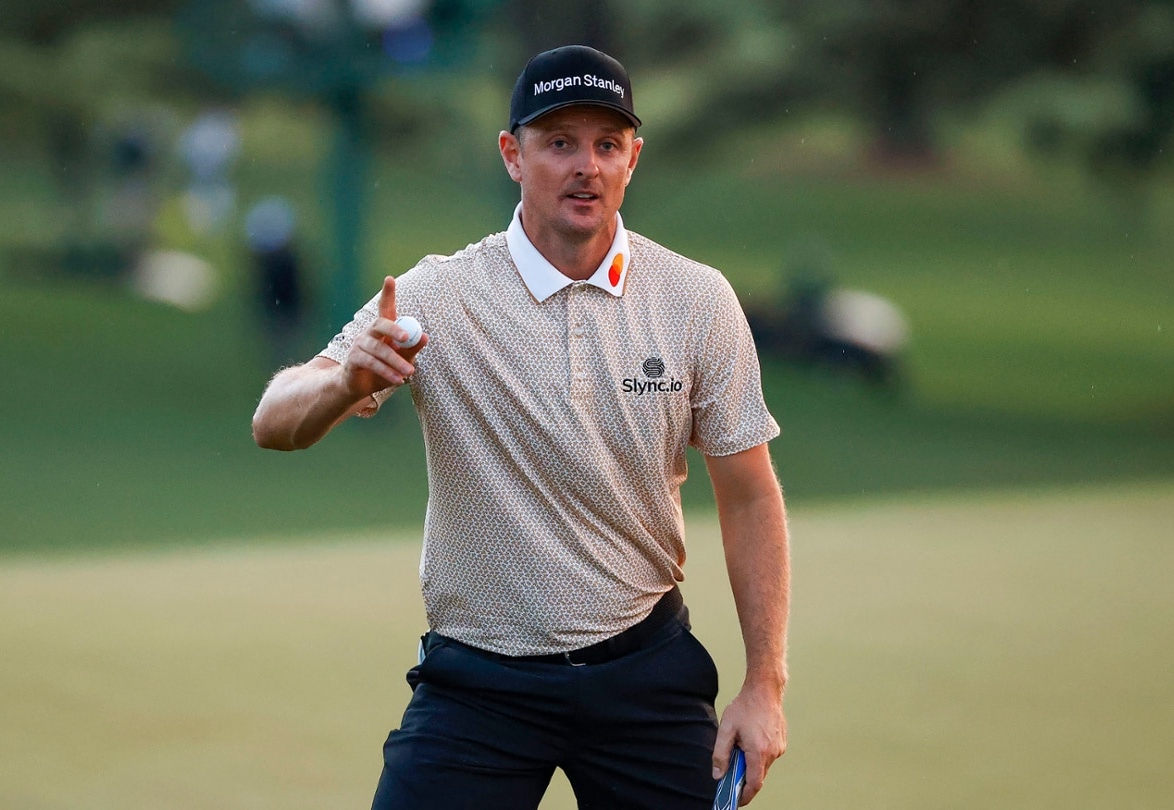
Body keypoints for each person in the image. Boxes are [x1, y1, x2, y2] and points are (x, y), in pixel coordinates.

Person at [252, 44, 789, 809]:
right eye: (559, 142)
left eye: (607, 145)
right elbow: (274, 423)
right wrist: (344, 383)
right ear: (513, 154)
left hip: (644, 671)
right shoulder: (440, 293)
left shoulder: (696, 300)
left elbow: (749, 497)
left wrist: (764, 686)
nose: (587, 167)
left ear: (634, 157)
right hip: (480, 686)